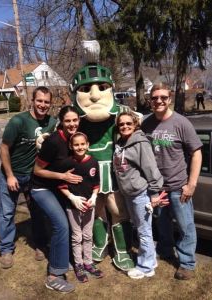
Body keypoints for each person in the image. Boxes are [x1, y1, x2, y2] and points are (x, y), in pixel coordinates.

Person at [71, 40, 143, 271]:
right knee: (97, 210)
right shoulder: (75, 120)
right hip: (88, 174)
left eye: (102, 87)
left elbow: (138, 129)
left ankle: (121, 249)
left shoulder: (122, 116)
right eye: (86, 89)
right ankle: (100, 245)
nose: (94, 95)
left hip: (115, 172)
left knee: (118, 211)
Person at [142, 82, 203, 280]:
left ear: (169, 99)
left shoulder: (181, 123)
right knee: (163, 224)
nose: (158, 101)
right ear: (150, 100)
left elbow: (196, 152)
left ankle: (186, 263)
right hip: (157, 186)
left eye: (163, 97)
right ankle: (166, 251)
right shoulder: (146, 123)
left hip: (178, 186)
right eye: (154, 98)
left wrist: (191, 184)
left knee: (186, 226)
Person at [0, 86, 57, 269]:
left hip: (33, 176)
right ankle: (6, 248)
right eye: (39, 100)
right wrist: (9, 175)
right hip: (12, 174)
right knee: (7, 212)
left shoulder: (51, 122)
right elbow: (4, 148)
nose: (42, 105)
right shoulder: (18, 121)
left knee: (38, 211)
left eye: (46, 102)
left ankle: (40, 244)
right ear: (32, 100)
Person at [30, 106, 82, 293]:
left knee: (63, 224)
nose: (72, 124)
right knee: (61, 225)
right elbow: (37, 170)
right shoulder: (53, 142)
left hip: (58, 188)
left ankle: (61, 258)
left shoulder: (74, 140)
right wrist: (63, 177)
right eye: (68, 120)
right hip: (41, 188)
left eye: (75, 120)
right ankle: (54, 275)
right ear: (61, 121)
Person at [113, 112, 169, 279]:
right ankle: (151, 259)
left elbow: (151, 169)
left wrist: (153, 193)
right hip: (129, 194)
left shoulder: (140, 143)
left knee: (144, 231)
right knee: (141, 229)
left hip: (141, 194)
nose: (124, 126)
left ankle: (145, 267)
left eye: (128, 123)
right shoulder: (122, 142)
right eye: (121, 124)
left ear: (135, 123)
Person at [59, 132, 103, 283]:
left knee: (88, 235)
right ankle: (78, 265)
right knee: (77, 236)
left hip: (89, 205)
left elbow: (97, 183)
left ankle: (88, 262)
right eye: (76, 145)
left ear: (87, 145)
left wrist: (94, 197)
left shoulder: (93, 162)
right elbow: (61, 185)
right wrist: (72, 198)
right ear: (71, 146)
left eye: (82, 144)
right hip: (73, 207)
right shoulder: (67, 163)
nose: (80, 147)